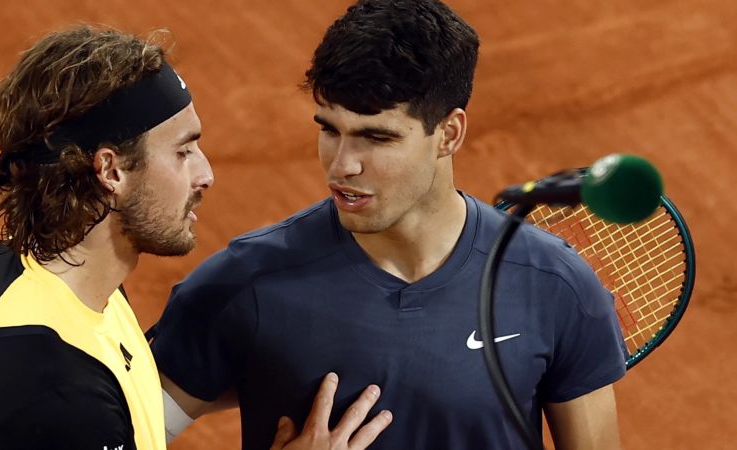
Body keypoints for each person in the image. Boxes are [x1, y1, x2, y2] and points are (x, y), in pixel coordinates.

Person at [149, 1, 628, 449]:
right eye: (329, 130)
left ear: (449, 134)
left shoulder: (555, 286)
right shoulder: (242, 285)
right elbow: (113, 434)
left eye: (375, 138)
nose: (342, 167)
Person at [0, 25, 391, 450]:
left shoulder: (48, 274)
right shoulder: (61, 397)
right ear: (112, 170)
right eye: (183, 152)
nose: (205, 174)